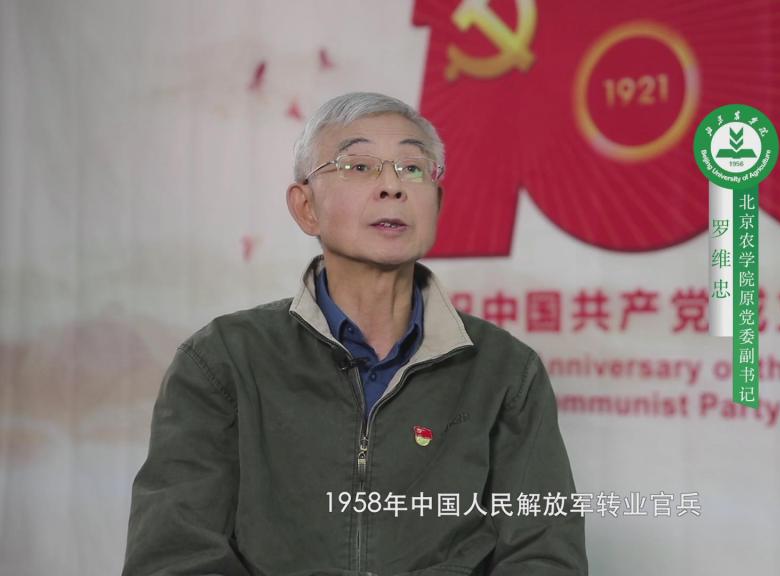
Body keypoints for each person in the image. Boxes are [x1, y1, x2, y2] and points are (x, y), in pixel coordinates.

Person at [123, 92, 587, 575]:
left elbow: (544, 554)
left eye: (413, 168)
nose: (392, 186)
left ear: (437, 203)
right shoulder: (223, 361)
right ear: (306, 206)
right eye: (359, 166)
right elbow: (174, 555)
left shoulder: (505, 371)